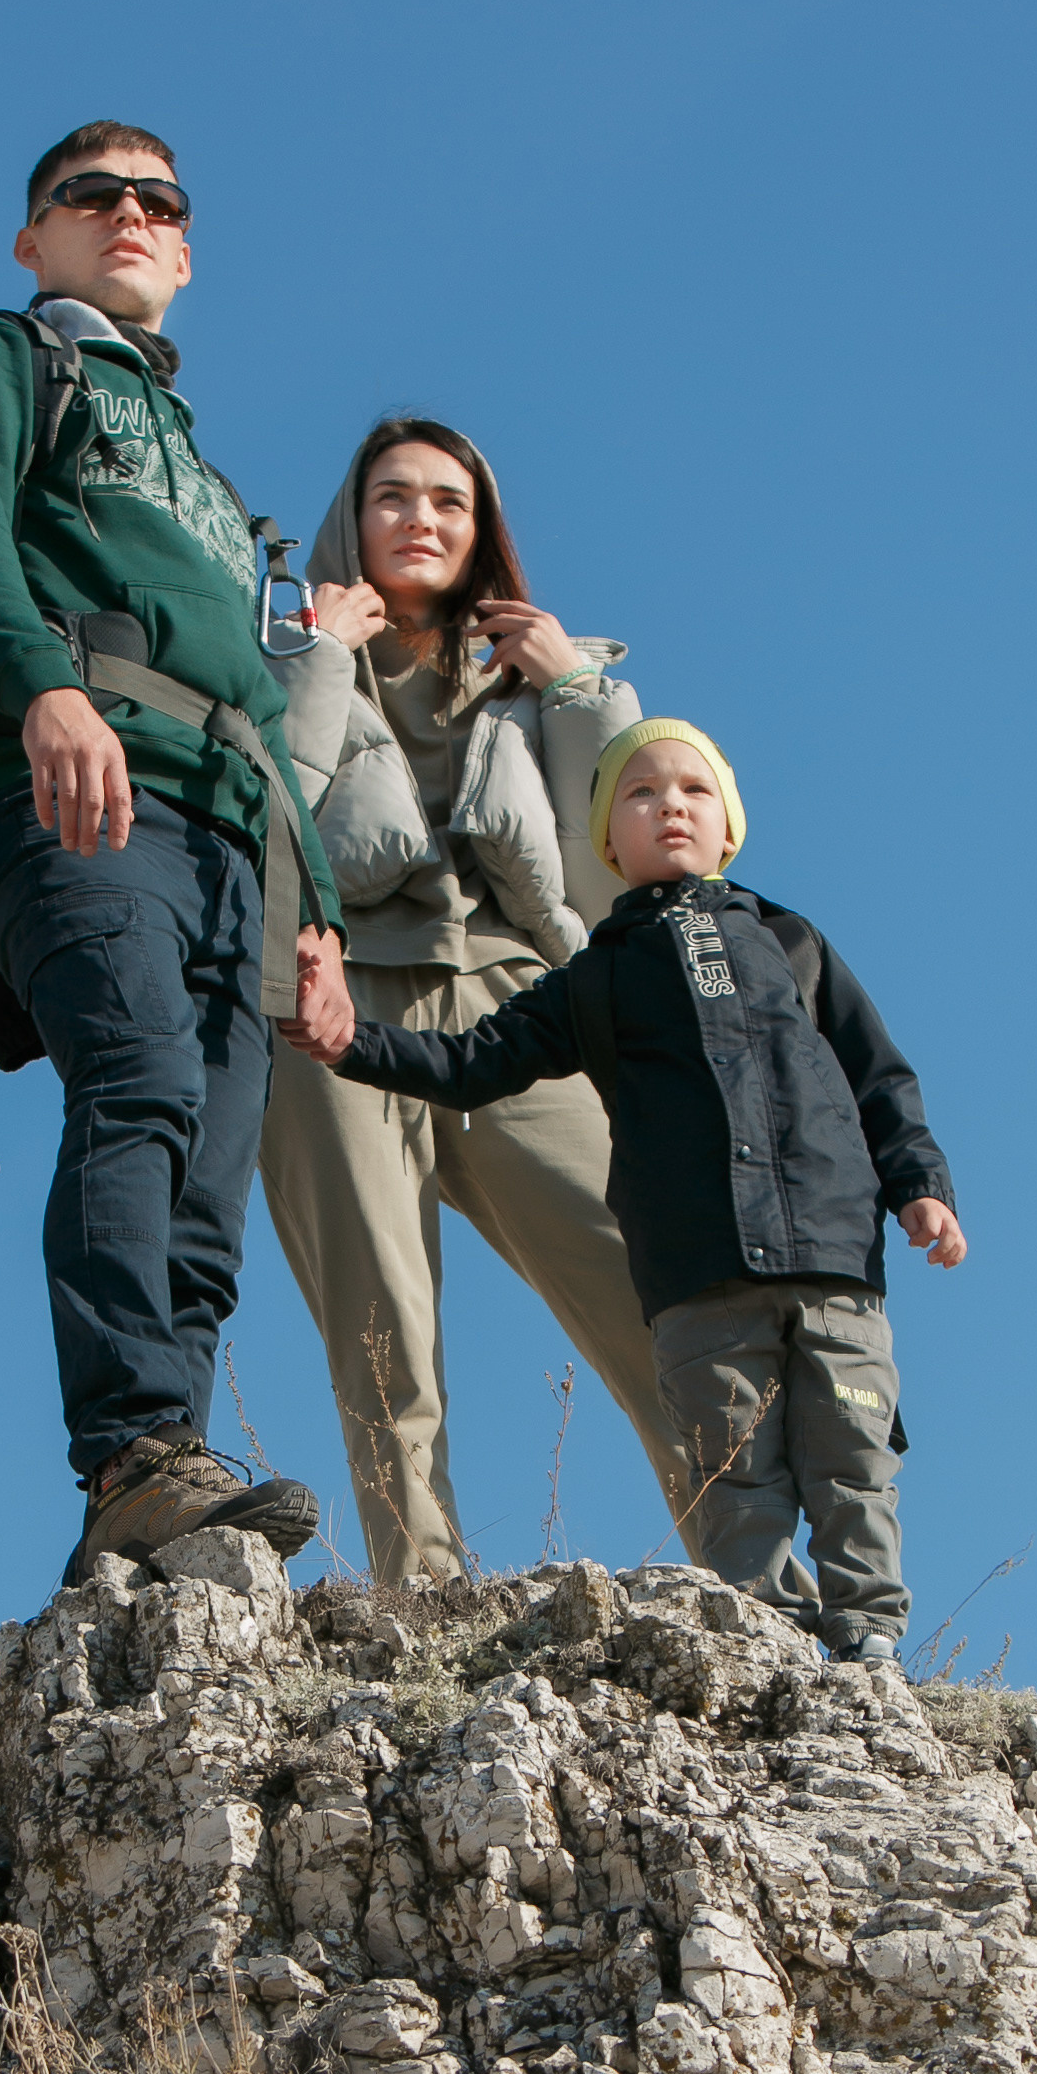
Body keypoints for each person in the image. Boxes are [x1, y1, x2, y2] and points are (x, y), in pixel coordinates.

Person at [0, 120, 358, 1582]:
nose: (129, 215)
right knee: (139, 1083)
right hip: (73, 794)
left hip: (239, 837)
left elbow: (262, 708)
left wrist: (318, 910)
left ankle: (160, 1499)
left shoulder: (210, 476)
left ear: (188, 247)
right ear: (35, 239)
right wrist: (42, 690)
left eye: (159, 201)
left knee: (212, 1171)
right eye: (91, 198)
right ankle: (135, 1448)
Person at [293, 722, 965, 1663]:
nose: (670, 806)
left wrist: (918, 1184)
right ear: (607, 844)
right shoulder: (595, 976)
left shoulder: (792, 943)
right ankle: (772, 1652)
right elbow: (474, 1062)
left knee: (853, 1462)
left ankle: (870, 1648)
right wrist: (352, 1041)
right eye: (640, 795)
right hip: (698, 1281)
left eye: (694, 789)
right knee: (735, 1477)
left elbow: (876, 1074)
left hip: (832, 1260)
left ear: (728, 825)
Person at [260, 419, 694, 1581]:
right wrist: (311, 655)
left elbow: (617, 865)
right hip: (330, 998)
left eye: (448, 502)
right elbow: (263, 821)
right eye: (391, 496)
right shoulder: (276, 643)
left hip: (515, 998)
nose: (420, 519)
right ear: (348, 518)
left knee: (650, 1274)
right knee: (379, 1318)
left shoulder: (540, 676)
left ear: (479, 530)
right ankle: (423, 1589)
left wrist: (583, 692)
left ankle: (758, 1564)